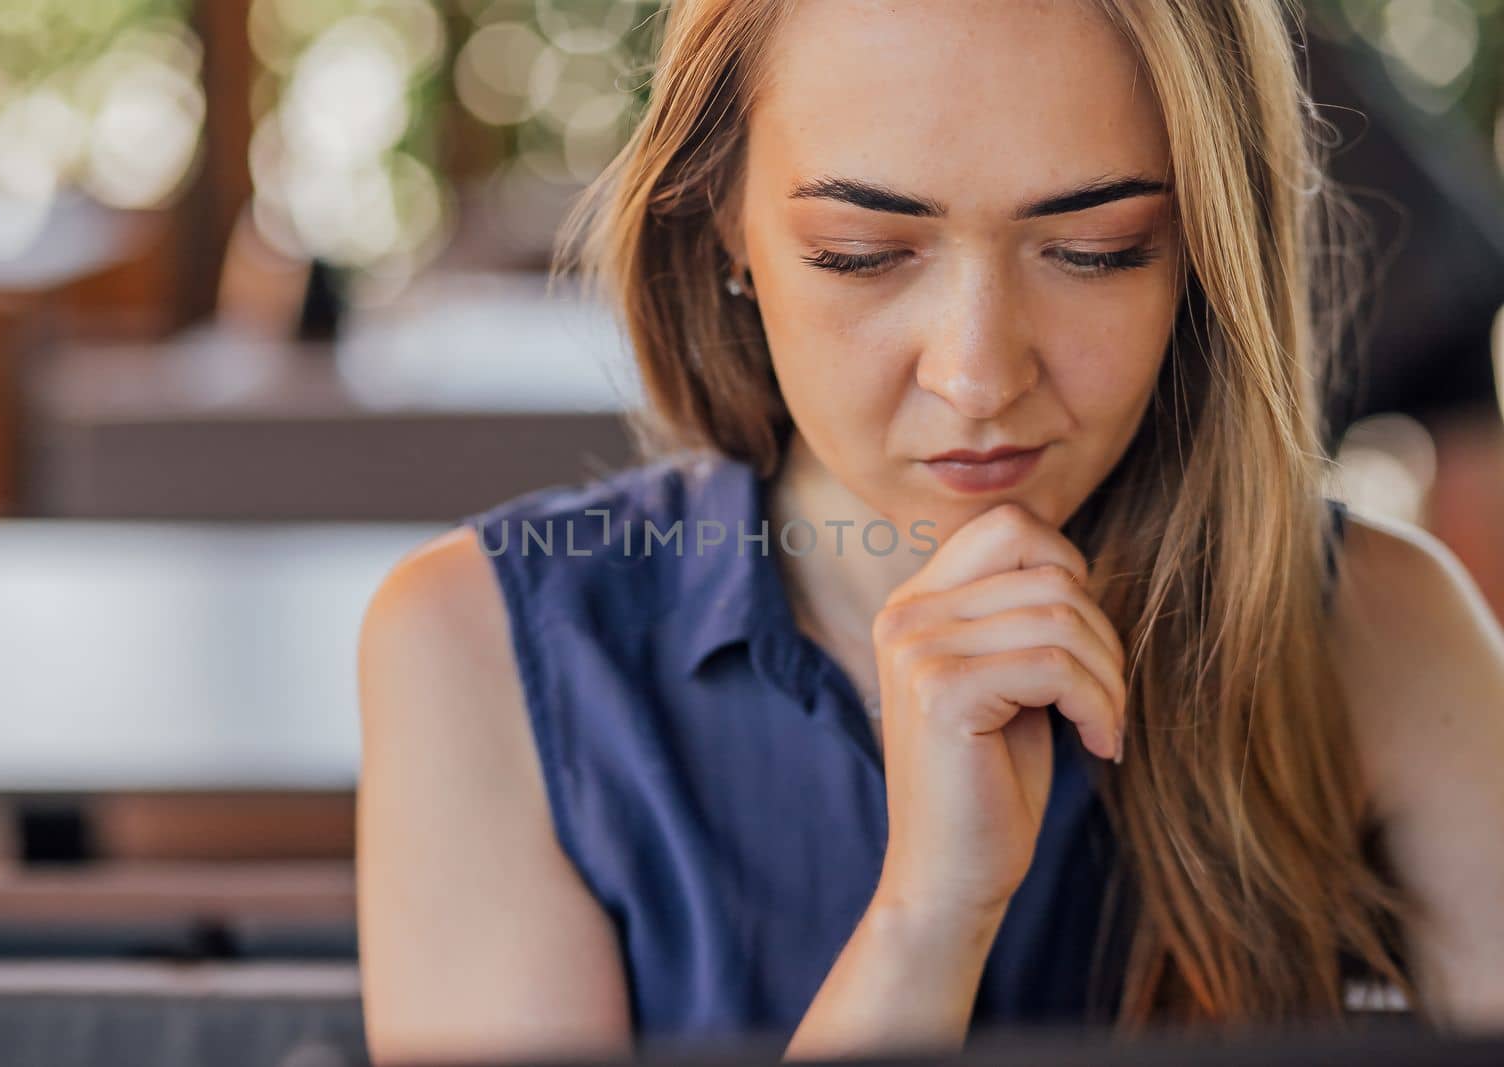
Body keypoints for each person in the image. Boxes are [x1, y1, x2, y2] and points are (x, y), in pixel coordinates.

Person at [355, 0, 1504, 1062]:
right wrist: (924, 923)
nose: (978, 374)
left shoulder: (1384, 631)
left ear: (1204, 245)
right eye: (862, 254)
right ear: (722, 221)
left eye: (1096, 248)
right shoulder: (486, 650)